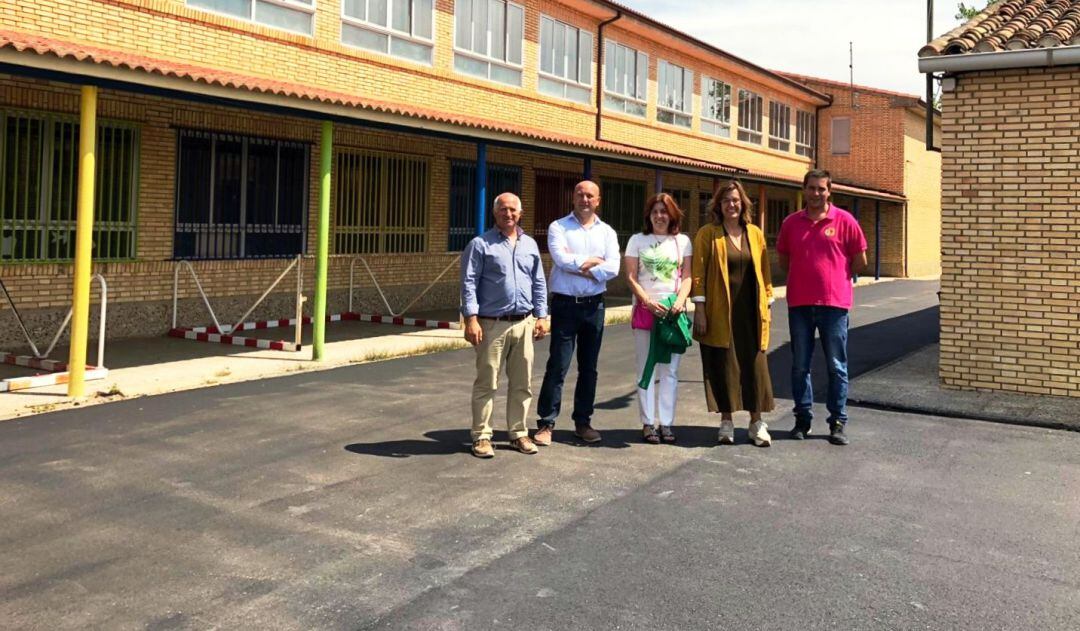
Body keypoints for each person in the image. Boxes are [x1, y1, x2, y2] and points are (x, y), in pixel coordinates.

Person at [776, 169, 868, 446]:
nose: (816, 193)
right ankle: (802, 420)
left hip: (834, 306)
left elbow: (860, 260)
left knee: (837, 366)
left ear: (829, 192)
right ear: (804, 190)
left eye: (821, 189)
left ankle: (837, 422)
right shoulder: (791, 223)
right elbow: (784, 260)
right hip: (800, 305)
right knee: (799, 366)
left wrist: (836, 278)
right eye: (811, 188)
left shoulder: (845, 221)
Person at [460, 193, 550, 459]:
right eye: (503, 209)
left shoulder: (530, 244)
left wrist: (542, 316)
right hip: (492, 324)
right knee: (487, 382)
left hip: (524, 322)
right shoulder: (480, 244)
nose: (508, 214)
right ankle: (481, 436)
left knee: (522, 383)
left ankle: (518, 433)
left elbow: (538, 282)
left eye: (512, 210)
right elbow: (468, 283)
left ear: (520, 213)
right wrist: (471, 318)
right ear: (494, 212)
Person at [534, 180, 621, 445]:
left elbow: (613, 268)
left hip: (594, 306)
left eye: (590, 196)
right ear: (573, 197)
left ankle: (583, 423)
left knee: (589, 368)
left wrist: (581, 266)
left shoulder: (607, 232)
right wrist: (595, 263)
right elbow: (560, 260)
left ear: (598, 200)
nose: (585, 199)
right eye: (580, 194)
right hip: (565, 305)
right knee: (557, 365)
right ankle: (546, 423)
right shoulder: (558, 227)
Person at [691, 180, 776, 447]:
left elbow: (764, 271)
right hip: (720, 311)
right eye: (726, 200)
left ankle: (756, 423)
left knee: (755, 366)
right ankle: (726, 421)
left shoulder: (755, 233)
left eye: (736, 200)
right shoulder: (708, 234)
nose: (732, 204)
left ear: (743, 204)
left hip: (751, 312)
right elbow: (698, 274)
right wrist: (700, 309)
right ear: (718, 205)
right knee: (724, 365)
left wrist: (768, 301)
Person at [625, 193, 692, 444]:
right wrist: (647, 302)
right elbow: (631, 277)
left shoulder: (682, 241)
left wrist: (679, 301)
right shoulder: (637, 240)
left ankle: (666, 423)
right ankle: (648, 423)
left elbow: (687, 276)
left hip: (672, 314)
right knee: (646, 367)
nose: (659, 216)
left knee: (670, 371)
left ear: (672, 215)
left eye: (664, 211)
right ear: (649, 215)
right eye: (655, 212)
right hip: (647, 312)